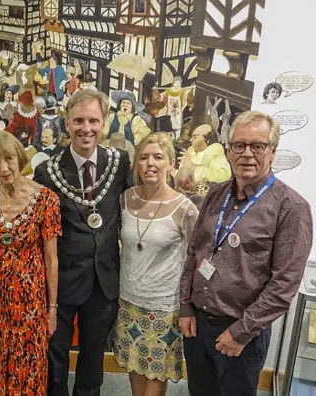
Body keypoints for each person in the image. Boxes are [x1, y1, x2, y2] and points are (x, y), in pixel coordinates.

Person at [179, 111, 313, 396]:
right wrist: (185, 307)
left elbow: (283, 285)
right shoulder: (216, 194)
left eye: (258, 146)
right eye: (239, 145)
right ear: (228, 150)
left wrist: (240, 332)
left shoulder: (291, 208)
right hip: (197, 326)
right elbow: (195, 253)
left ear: (273, 152)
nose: (247, 154)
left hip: (242, 333)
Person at [34, 89, 132, 396]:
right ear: (66, 123)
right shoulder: (46, 173)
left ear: (103, 124)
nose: (86, 128)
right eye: (78, 121)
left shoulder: (120, 164)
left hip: (104, 279)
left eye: (93, 120)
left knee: (93, 357)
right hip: (61, 281)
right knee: (55, 356)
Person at [0, 130, 60, 394]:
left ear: (19, 157)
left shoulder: (46, 200)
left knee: (26, 360)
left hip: (28, 298)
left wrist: (52, 309)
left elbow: (51, 259)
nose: (3, 168)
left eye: (8, 159)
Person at [113, 133, 199, 396]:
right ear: (137, 164)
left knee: (155, 380)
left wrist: (188, 306)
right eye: (144, 157)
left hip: (164, 308)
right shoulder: (125, 199)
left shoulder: (184, 208)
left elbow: (194, 261)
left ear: (170, 164)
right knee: (135, 372)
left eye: (158, 157)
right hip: (128, 303)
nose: (151, 163)